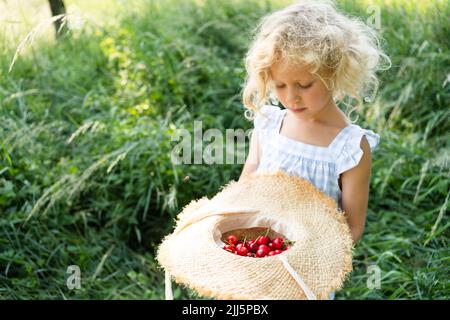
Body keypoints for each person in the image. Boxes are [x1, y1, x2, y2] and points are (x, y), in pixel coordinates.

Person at [239, 0, 390, 299]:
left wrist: (303, 256)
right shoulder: (269, 123)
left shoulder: (349, 147)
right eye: (280, 85)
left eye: (304, 84)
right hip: (257, 257)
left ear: (334, 73)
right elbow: (247, 183)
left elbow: (353, 227)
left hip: (307, 273)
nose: (291, 97)